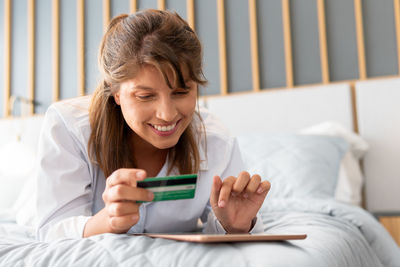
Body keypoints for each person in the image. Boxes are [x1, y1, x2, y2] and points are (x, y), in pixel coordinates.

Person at [35, 9, 270, 241]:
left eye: (180, 91)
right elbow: (52, 229)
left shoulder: (216, 141)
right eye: (145, 96)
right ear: (115, 91)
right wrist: (107, 220)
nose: (167, 115)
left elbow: (222, 222)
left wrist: (234, 225)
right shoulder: (69, 127)